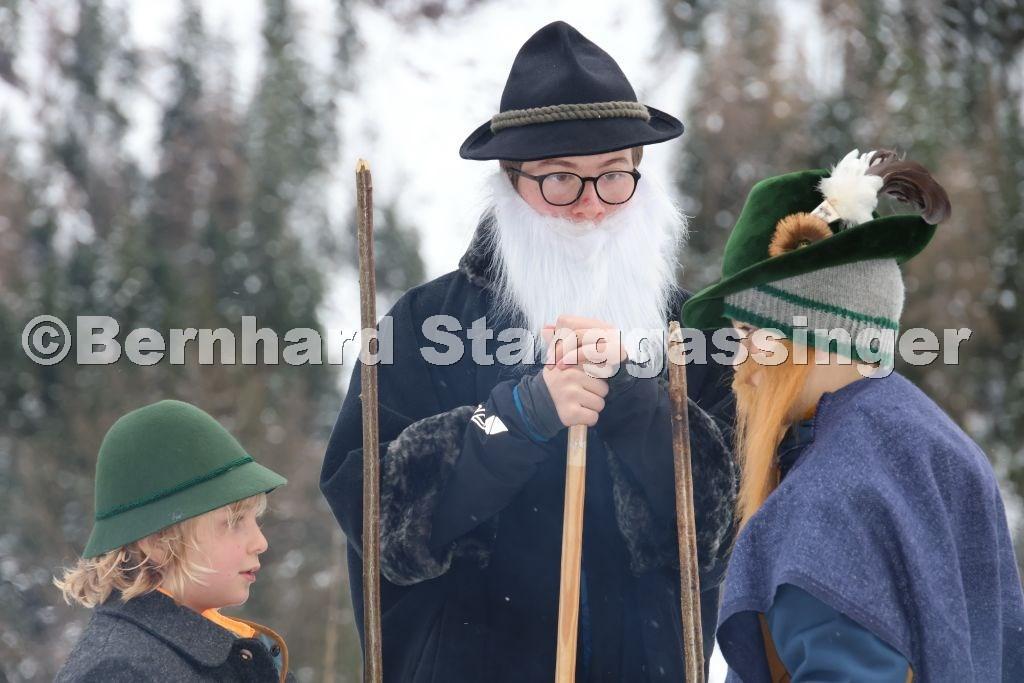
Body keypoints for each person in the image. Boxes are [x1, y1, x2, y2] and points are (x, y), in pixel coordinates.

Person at [321, 20, 737, 682]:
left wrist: (636, 401)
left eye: (612, 176)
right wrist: (514, 418)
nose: (590, 206)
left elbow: (725, 526)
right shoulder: (427, 323)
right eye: (560, 180)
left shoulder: (694, 332)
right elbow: (380, 523)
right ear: (511, 181)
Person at [681, 149, 1024, 681]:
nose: (739, 365)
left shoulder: (826, 497)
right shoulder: (934, 443)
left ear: (803, 331)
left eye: (746, 333)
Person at [55, 400, 293, 682]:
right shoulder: (120, 674)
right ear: (158, 541)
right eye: (233, 522)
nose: (260, 542)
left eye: (255, 520)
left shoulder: (222, 652)